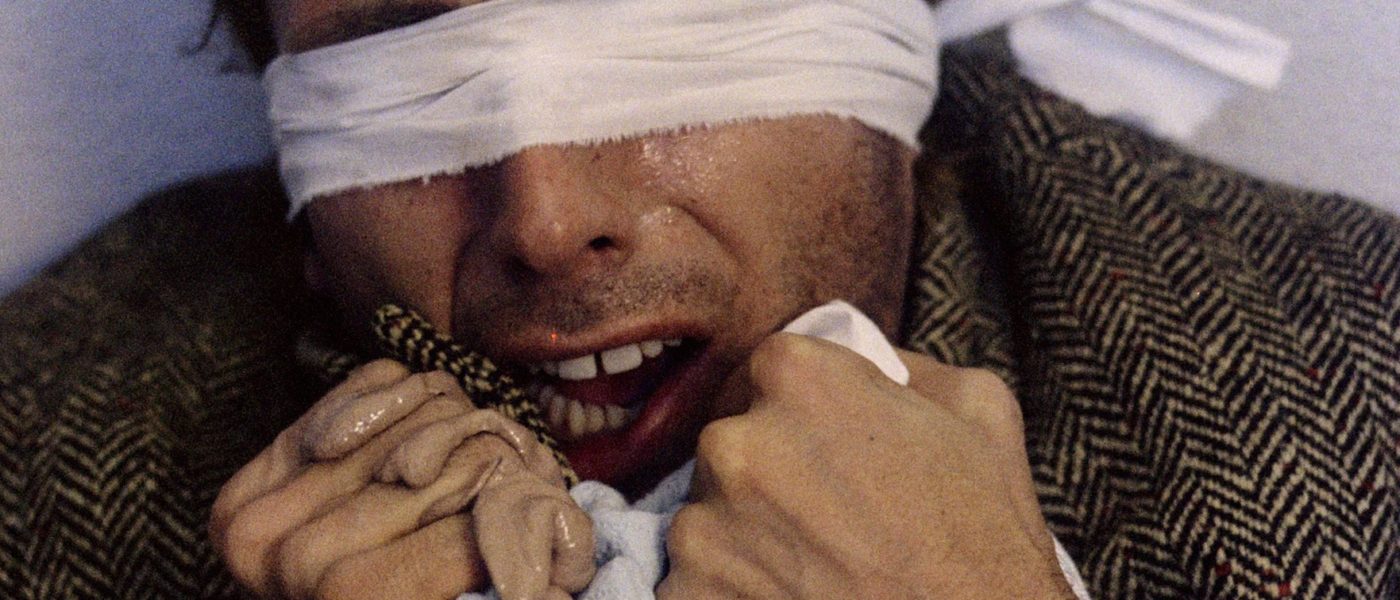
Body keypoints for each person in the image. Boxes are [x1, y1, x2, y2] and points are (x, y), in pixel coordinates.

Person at [2, 0, 1396, 599]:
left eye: (661, 24)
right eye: (403, 63)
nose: (547, 219)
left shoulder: (1356, 385)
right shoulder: (41, 470)